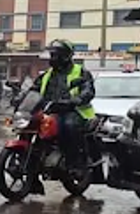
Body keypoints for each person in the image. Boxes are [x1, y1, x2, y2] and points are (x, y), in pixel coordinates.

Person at [33, 39, 97, 172]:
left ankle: (75, 162)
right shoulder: (47, 74)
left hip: (75, 111)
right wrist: (20, 96)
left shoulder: (80, 72)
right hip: (51, 110)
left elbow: (88, 89)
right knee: (31, 123)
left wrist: (77, 99)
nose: (53, 58)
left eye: (56, 55)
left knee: (68, 125)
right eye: (52, 55)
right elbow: (34, 88)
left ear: (66, 56)